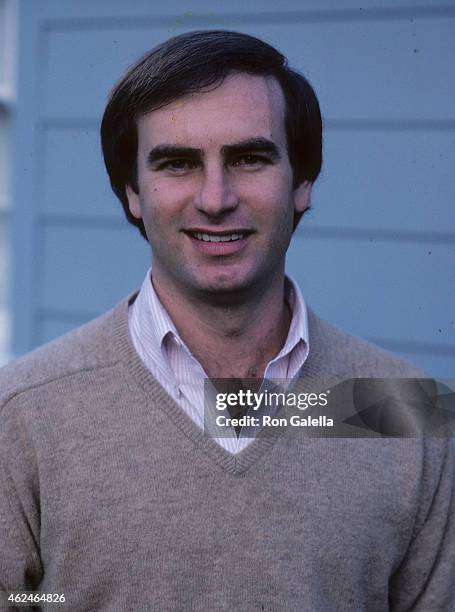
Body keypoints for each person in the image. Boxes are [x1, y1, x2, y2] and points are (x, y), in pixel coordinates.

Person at [0, 30, 454, 611]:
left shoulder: (405, 412)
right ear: (132, 192)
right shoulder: (24, 416)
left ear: (303, 182)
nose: (215, 198)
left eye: (248, 158)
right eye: (178, 163)